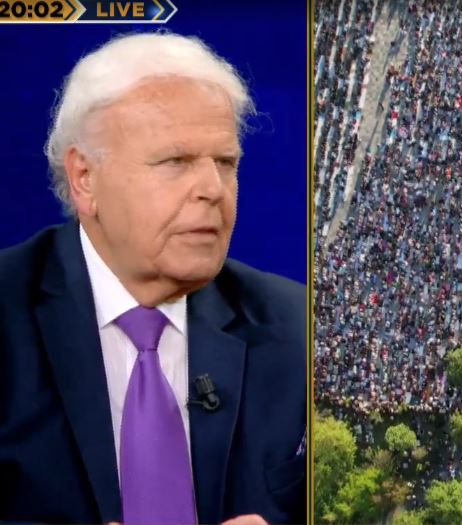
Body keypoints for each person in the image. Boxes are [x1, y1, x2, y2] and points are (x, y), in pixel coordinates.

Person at [0, 32, 305, 524]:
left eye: (226, 164)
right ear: (85, 178)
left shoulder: (297, 329)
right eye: (175, 162)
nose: (212, 189)